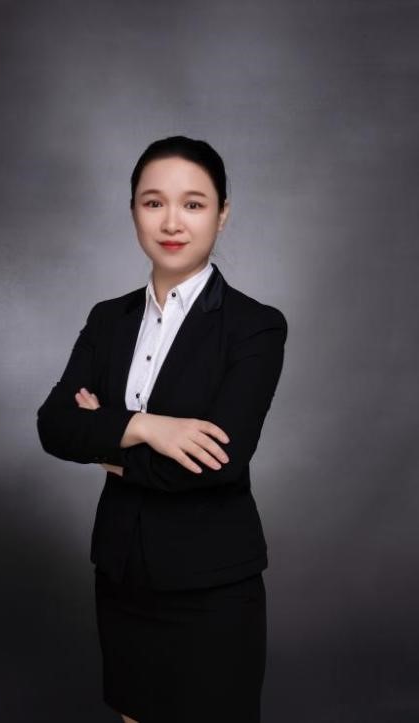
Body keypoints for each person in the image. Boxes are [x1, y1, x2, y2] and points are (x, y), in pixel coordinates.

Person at [37, 135, 288, 723]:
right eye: (153, 203)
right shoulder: (108, 319)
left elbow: (217, 463)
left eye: (193, 204)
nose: (172, 222)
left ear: (222, 215)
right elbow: (55, 426)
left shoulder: (255, 326)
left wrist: (107, 442)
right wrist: (149, 427)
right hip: (122, 578)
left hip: (212, 589)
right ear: (133, 211)